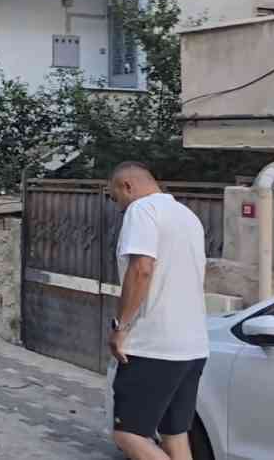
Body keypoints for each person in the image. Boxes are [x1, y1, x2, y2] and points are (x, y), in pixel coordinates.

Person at [107, 161, 208, 460]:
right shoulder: (187, 216)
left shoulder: (142, 210)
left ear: (128, 186)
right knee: (174, 435)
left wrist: (120, 327)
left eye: (115, 198)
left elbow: (142, 269)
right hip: (192, 346)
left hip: (154, 346)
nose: (118, 207)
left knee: (127, 434)